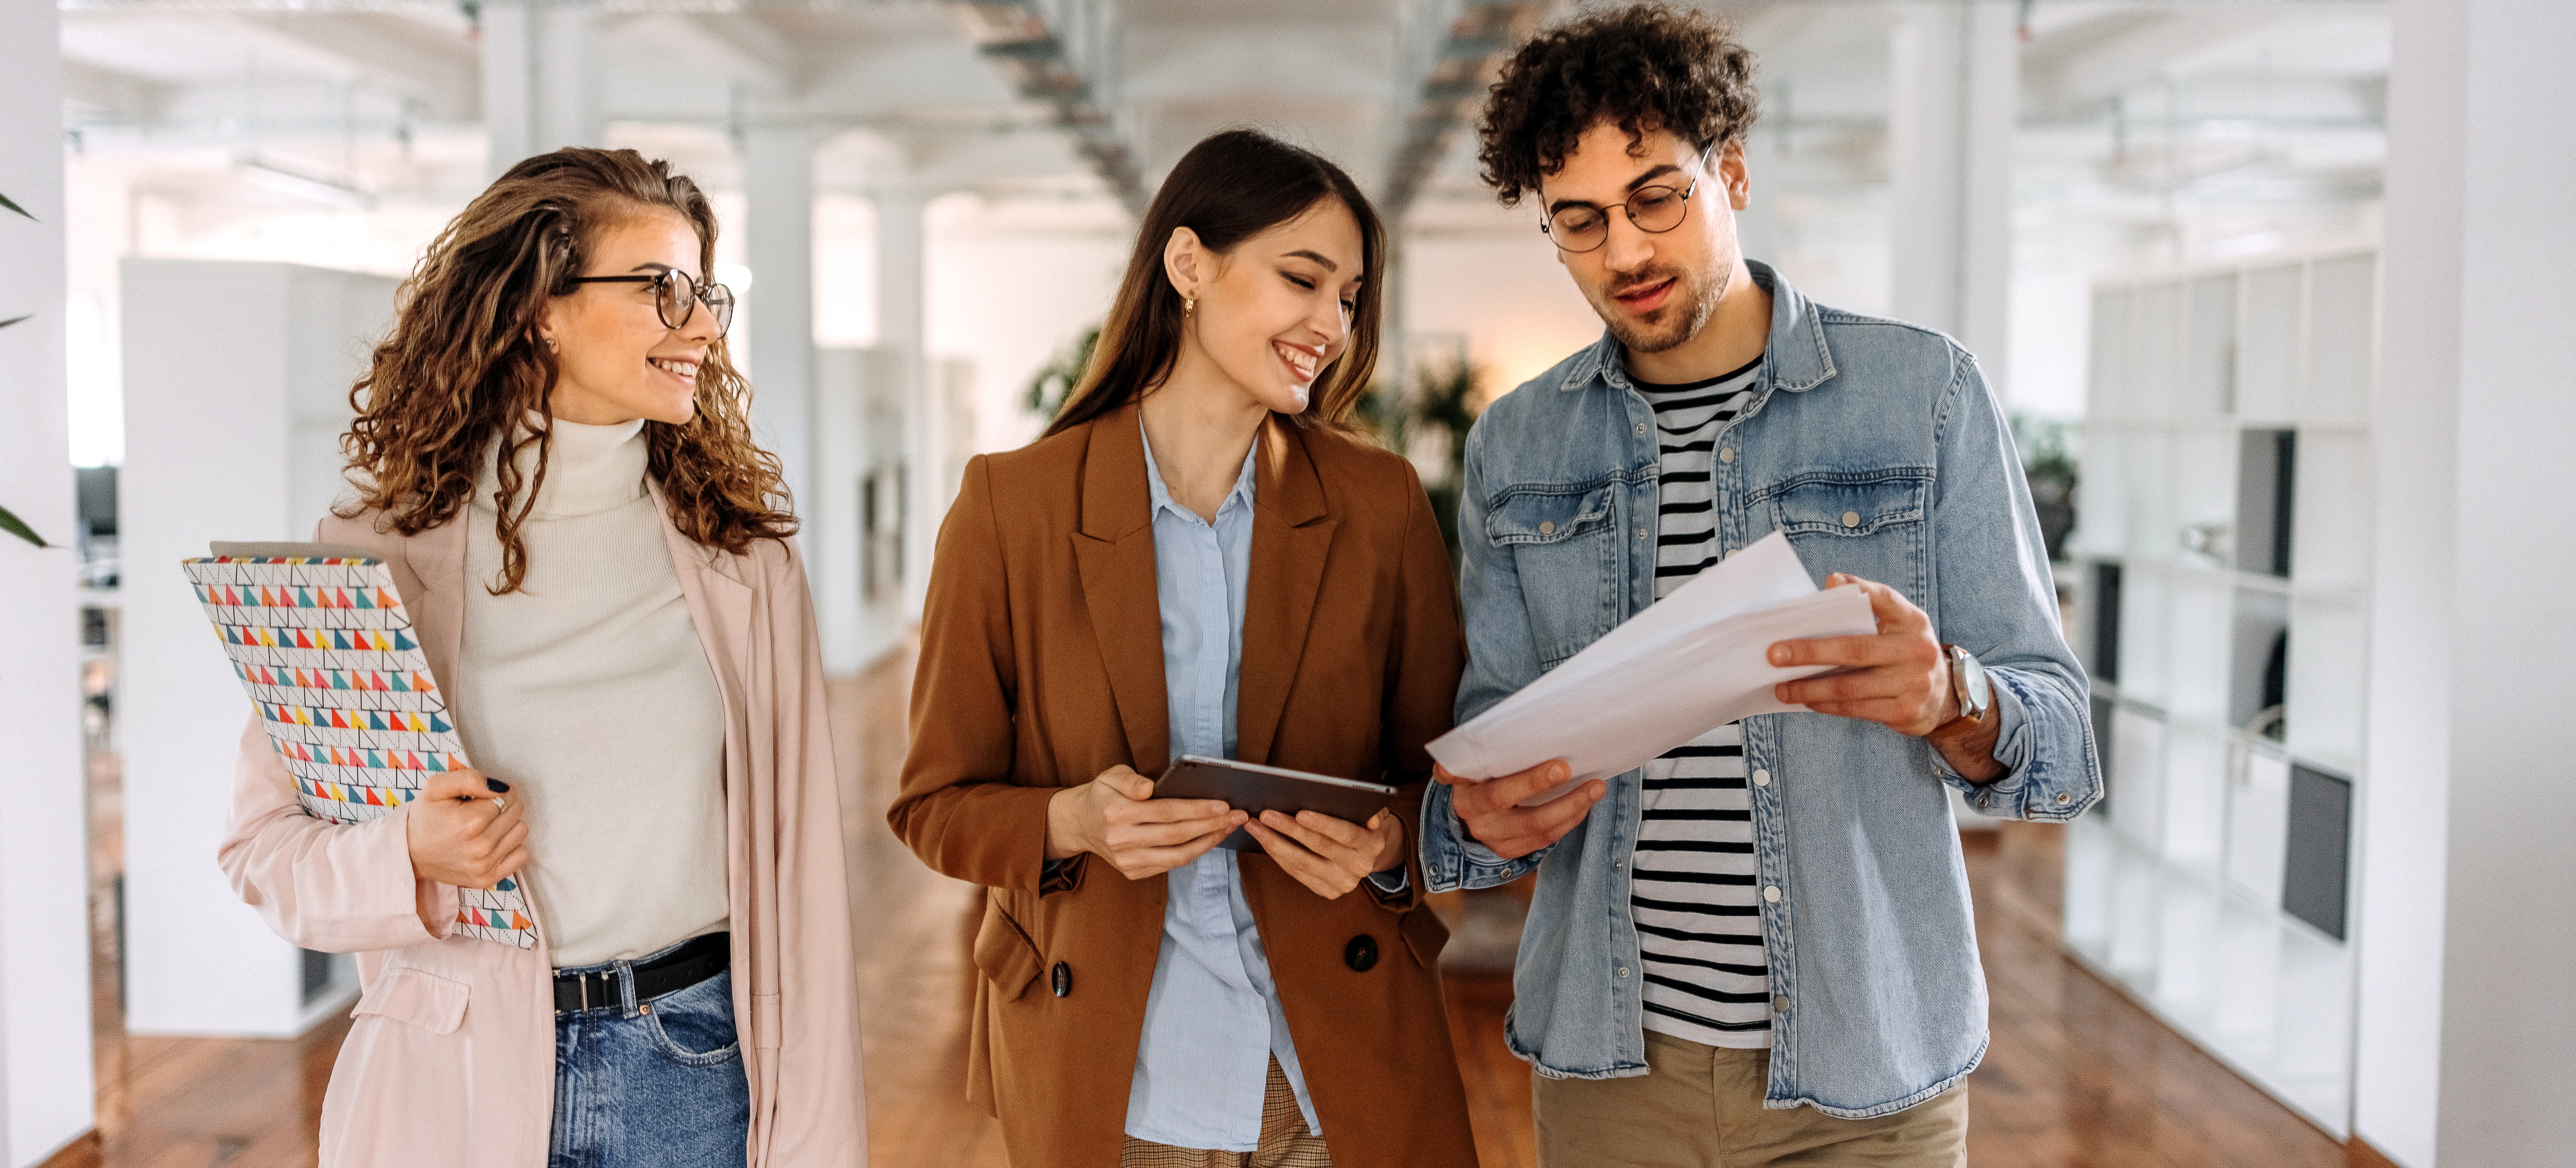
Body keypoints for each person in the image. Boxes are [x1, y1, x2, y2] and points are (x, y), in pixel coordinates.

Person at [1417, 6, 2101, 1166]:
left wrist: (1951, 697)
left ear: (1730, 170)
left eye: (1656, 197)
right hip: (1611, 1072)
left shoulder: (1921, 394)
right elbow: (1491, 748)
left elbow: (2065, 747)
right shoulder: (1517, 446)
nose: (1624, 253)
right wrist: (1478, 818)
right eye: (1578, 222)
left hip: (1867, 1080)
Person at [217, 147, 867, 1168]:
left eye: (705, 294)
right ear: (539, 308)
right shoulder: (375, 557)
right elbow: (262, 851)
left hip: (694, 1064)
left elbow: (807, 890)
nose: (700, 326)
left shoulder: (748, 567)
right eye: (662, 290)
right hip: (454, 1074)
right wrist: (408, 856)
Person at [890, 128, 1477, 1168]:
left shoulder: (1378, 506)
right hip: (1118, 1077)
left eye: (1349, 297)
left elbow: (1440, 782)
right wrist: (1072, 818)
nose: (1330, 324)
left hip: (1331, 1067)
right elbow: (934, 805)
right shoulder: (1011, 508)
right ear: (1188, 264)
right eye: (1302, 278)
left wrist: (1384, 846)